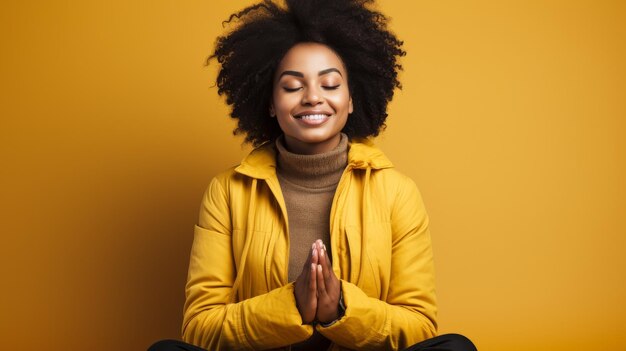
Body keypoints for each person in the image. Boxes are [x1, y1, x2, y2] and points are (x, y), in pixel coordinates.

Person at [150, 0, 477, 350]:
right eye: (292, 87)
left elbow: (419, 326)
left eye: (331, 84)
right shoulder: (227, 192)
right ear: (271, 102)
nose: (312, 98)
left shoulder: (397, 192)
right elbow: (200, 326)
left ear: (352, 98)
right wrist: (291, 306)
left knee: (455, 347)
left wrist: (341, 309)